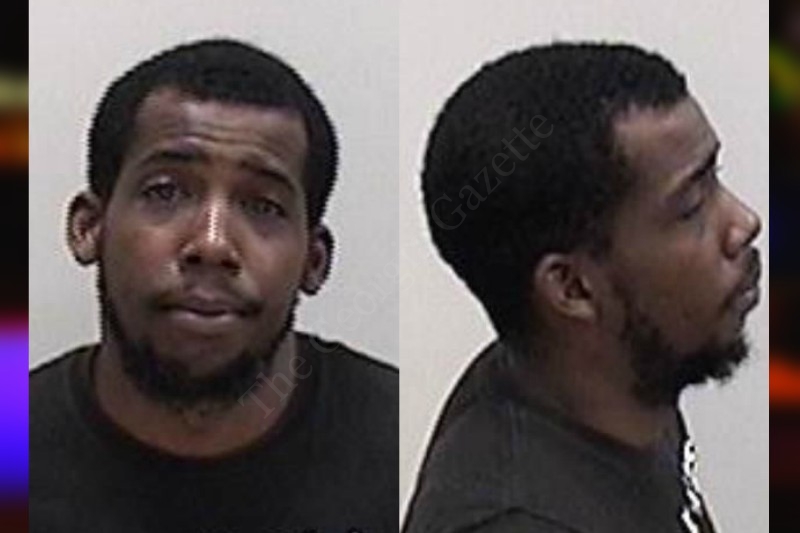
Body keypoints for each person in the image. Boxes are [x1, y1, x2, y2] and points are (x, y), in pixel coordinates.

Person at [30, 38, 398, 532]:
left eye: (262, 206)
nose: (212, 243)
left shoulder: (405, 451)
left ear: (314, 261)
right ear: (90, 227)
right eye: (165, 192)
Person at [403, 42, 761, 533]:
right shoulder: (516, 520)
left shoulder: (614, 380)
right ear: (572, 288)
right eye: (691, 206)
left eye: (714, 177)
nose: (744, 223)